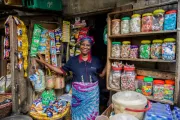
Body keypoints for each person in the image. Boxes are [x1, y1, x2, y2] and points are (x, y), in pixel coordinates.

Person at [36, 36, 106, 120]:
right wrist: (45, 63)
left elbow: (102, 75)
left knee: (91, 116)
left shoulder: (96, 60)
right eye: (83, 44)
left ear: (91, 46)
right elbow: (61, 71)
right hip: (78, 96)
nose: (85, 47)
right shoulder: (73, 61)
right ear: (79, 45)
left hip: (92, 97)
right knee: (77, 116)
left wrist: (109, 62)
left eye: (88, 45)